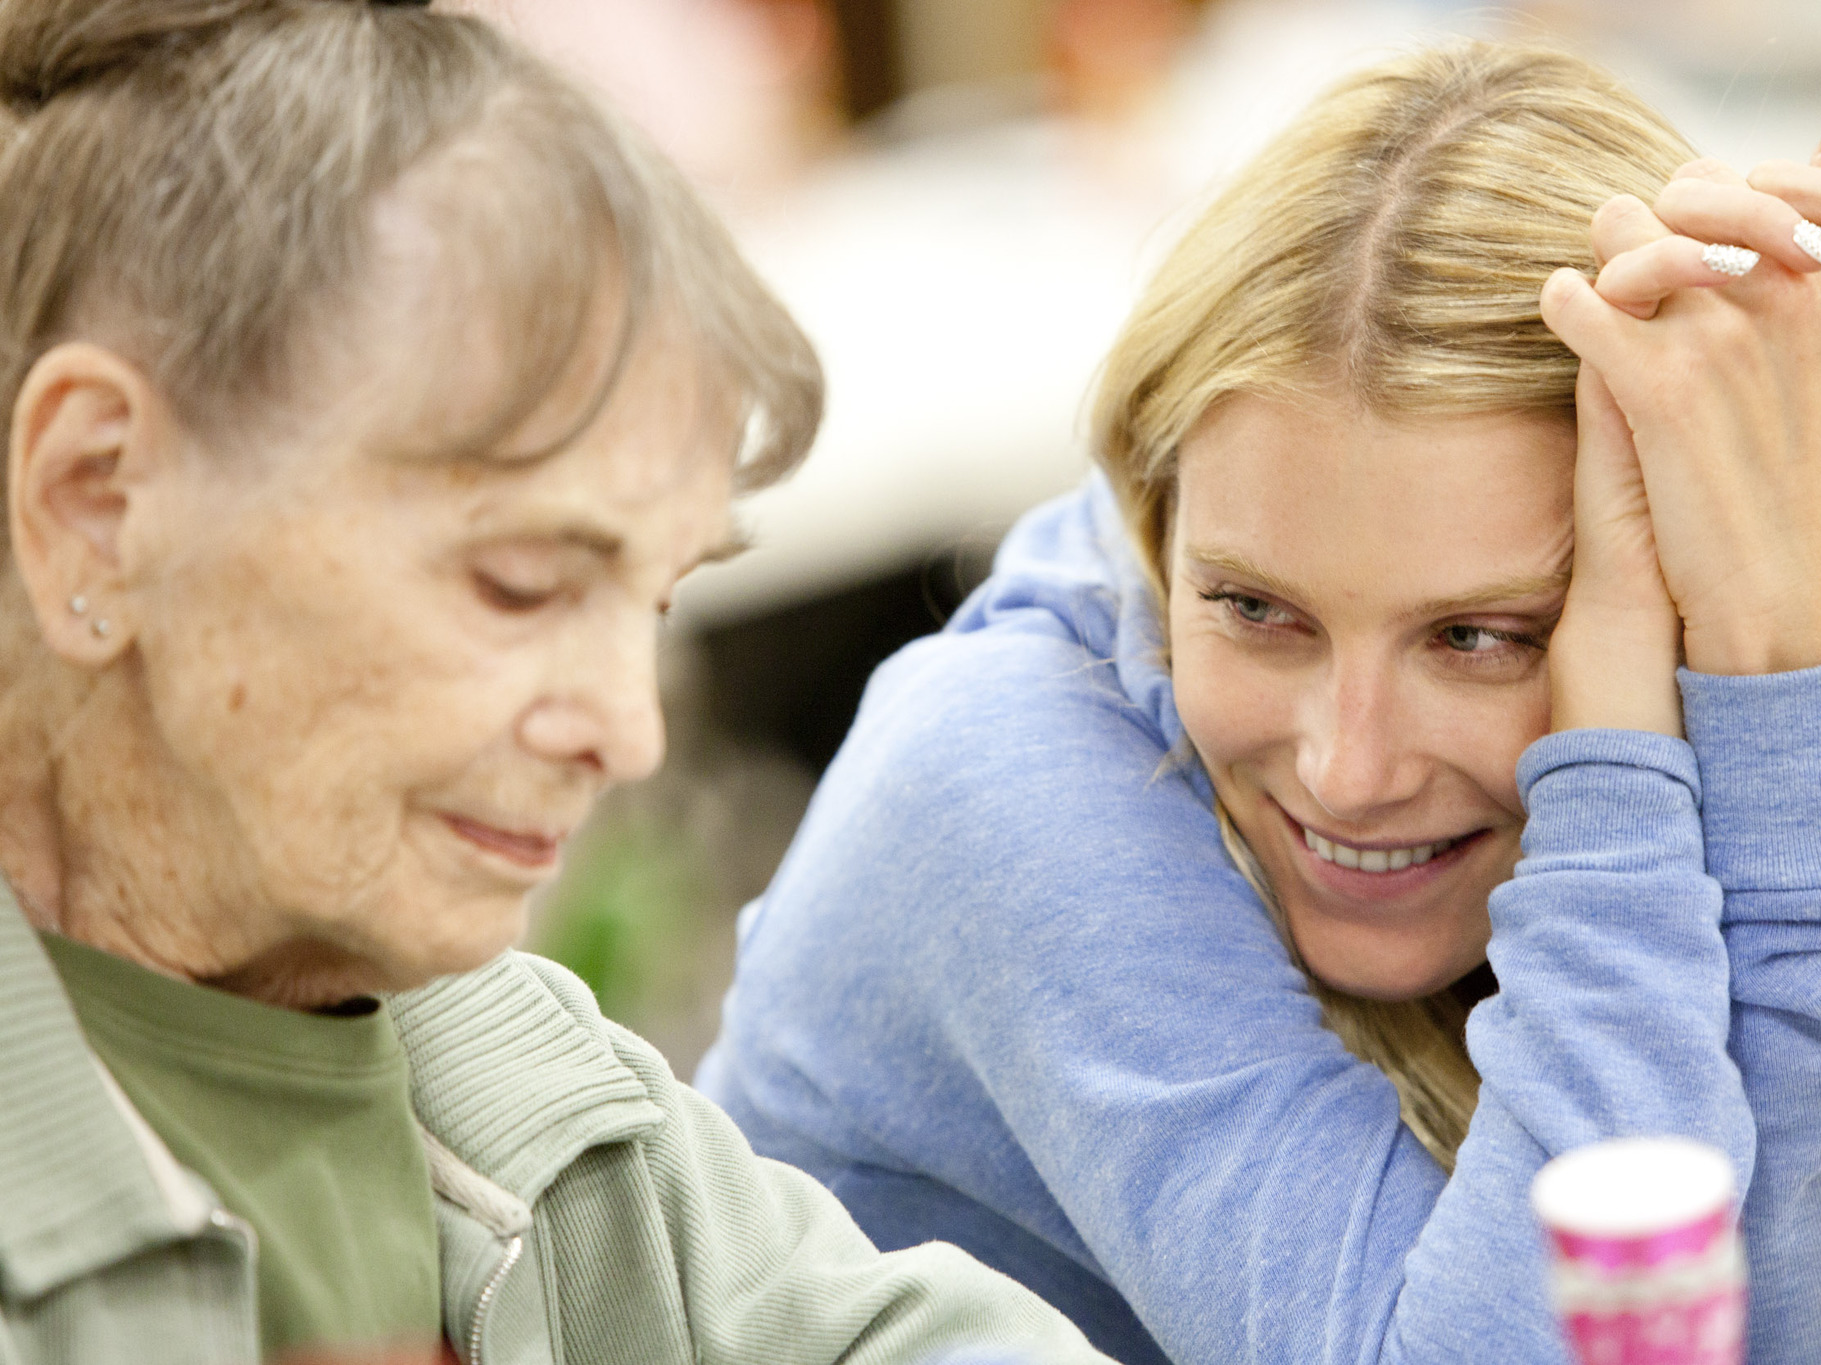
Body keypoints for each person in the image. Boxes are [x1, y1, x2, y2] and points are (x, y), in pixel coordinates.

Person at [697, 42, 1821, 1364]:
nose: (1349, 766)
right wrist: (1610, 744)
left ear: (1676, 588)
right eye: (1253, 608)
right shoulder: (993, 777)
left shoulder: (1643, 731)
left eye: (1479, 635)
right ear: (1162, 527)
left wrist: (1801, 660)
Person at [0, 3, 1115, 1363]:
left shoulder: (524, 1085)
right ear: (98, 499)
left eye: (652, 599)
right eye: (521, 582)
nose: (628, 731)